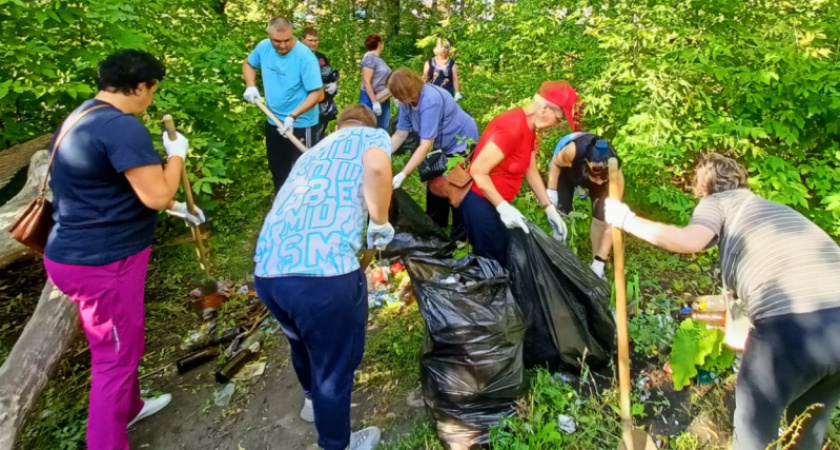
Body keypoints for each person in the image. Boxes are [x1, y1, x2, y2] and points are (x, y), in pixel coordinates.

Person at [604, 153, 840, 450]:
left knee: (754, 427)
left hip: (791, 324)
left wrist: (627, 220)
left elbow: (690, 241)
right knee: (808, 421)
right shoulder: (772, 211)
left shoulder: (719, 202)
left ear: (704, 187)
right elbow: (742, 317)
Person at [42, 49, 206, 450]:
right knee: (114, 358)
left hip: (82, 252)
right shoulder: (121, 127)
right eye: (151, 89)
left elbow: (114, 187)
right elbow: (155, 194)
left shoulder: (82, 116)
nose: (152, 98)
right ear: (138, 87)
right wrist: (177, 155)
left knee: (124, 341)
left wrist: (178, 207)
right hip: (102, 262)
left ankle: (130, 408)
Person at [253, 105, 395, 450]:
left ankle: (313, 403)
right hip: (322, 274)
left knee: (300, 338)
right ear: (366, 125)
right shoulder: (371, 135)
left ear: (339, 124)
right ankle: (336, 444)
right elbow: (377, 166)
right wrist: (379, 221)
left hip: (269, 268)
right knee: (335, 362)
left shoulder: (313, 152)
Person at [456, 81, 576, 265]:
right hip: (481, 205)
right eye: (558, 119)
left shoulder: (529, 128)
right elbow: (478, 170)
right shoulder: (512, 127)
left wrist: (548, 207)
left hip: (497, 205)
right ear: (545, 108)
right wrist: (503, 207)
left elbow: (530, 168)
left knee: (503, 259)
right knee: (492, 264)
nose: (556, 125)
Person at [387, 68, 479, 240]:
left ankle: (459, 239)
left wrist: (403, 174)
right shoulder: (407, 102)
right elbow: (401, 133)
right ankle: (436, 230)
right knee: (435, 185)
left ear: (408, 90)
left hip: (462, 142)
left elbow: (425, 144)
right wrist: (382, 154)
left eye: (398, 95)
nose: (396, 100)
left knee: (455, 186)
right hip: (441, 146)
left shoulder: (430, 100)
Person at [242, 17, 325, 193]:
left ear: (293, 35)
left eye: (287, 40)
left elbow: (318, 94)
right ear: (269, 36)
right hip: (273, 121)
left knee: (305, 173)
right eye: (277, 41)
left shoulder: (305, 57)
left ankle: (308, 211)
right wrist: (250, 85)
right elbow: (248, 64)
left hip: (302, 124)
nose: (282, 45)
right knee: (278, 171)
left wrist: (293, 116)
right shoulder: (264, 47)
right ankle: (283, 208)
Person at [547, 133, 625, 277]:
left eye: (604, 178)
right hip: (568, 171)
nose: (599, 181)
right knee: (562, 213)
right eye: (595, 175)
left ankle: (596, 268)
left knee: (602, 219)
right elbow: (556, 163)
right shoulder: (571, 152)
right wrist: (551, 191)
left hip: (597, 177)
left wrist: (600, 261)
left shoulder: (615, 175)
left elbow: (613, 225)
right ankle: (558, 256)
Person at [301, 27, 339, 140]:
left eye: (315, 40)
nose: (313, 43)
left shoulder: (321, 57)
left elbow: (331, 75)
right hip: (305, 106)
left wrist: (334, 84)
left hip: (323, 107)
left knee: (319, 137)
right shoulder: (298, 58)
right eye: (310, 40)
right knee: (306, 140)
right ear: (303, 40)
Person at [359, 33, 392, 130]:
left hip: (383, 97)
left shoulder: (379, 60)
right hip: (370, 98)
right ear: (379, 43)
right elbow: (366, 81)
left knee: (382, 128)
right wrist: (374, 102)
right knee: (368, 128)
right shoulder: (370, 58)